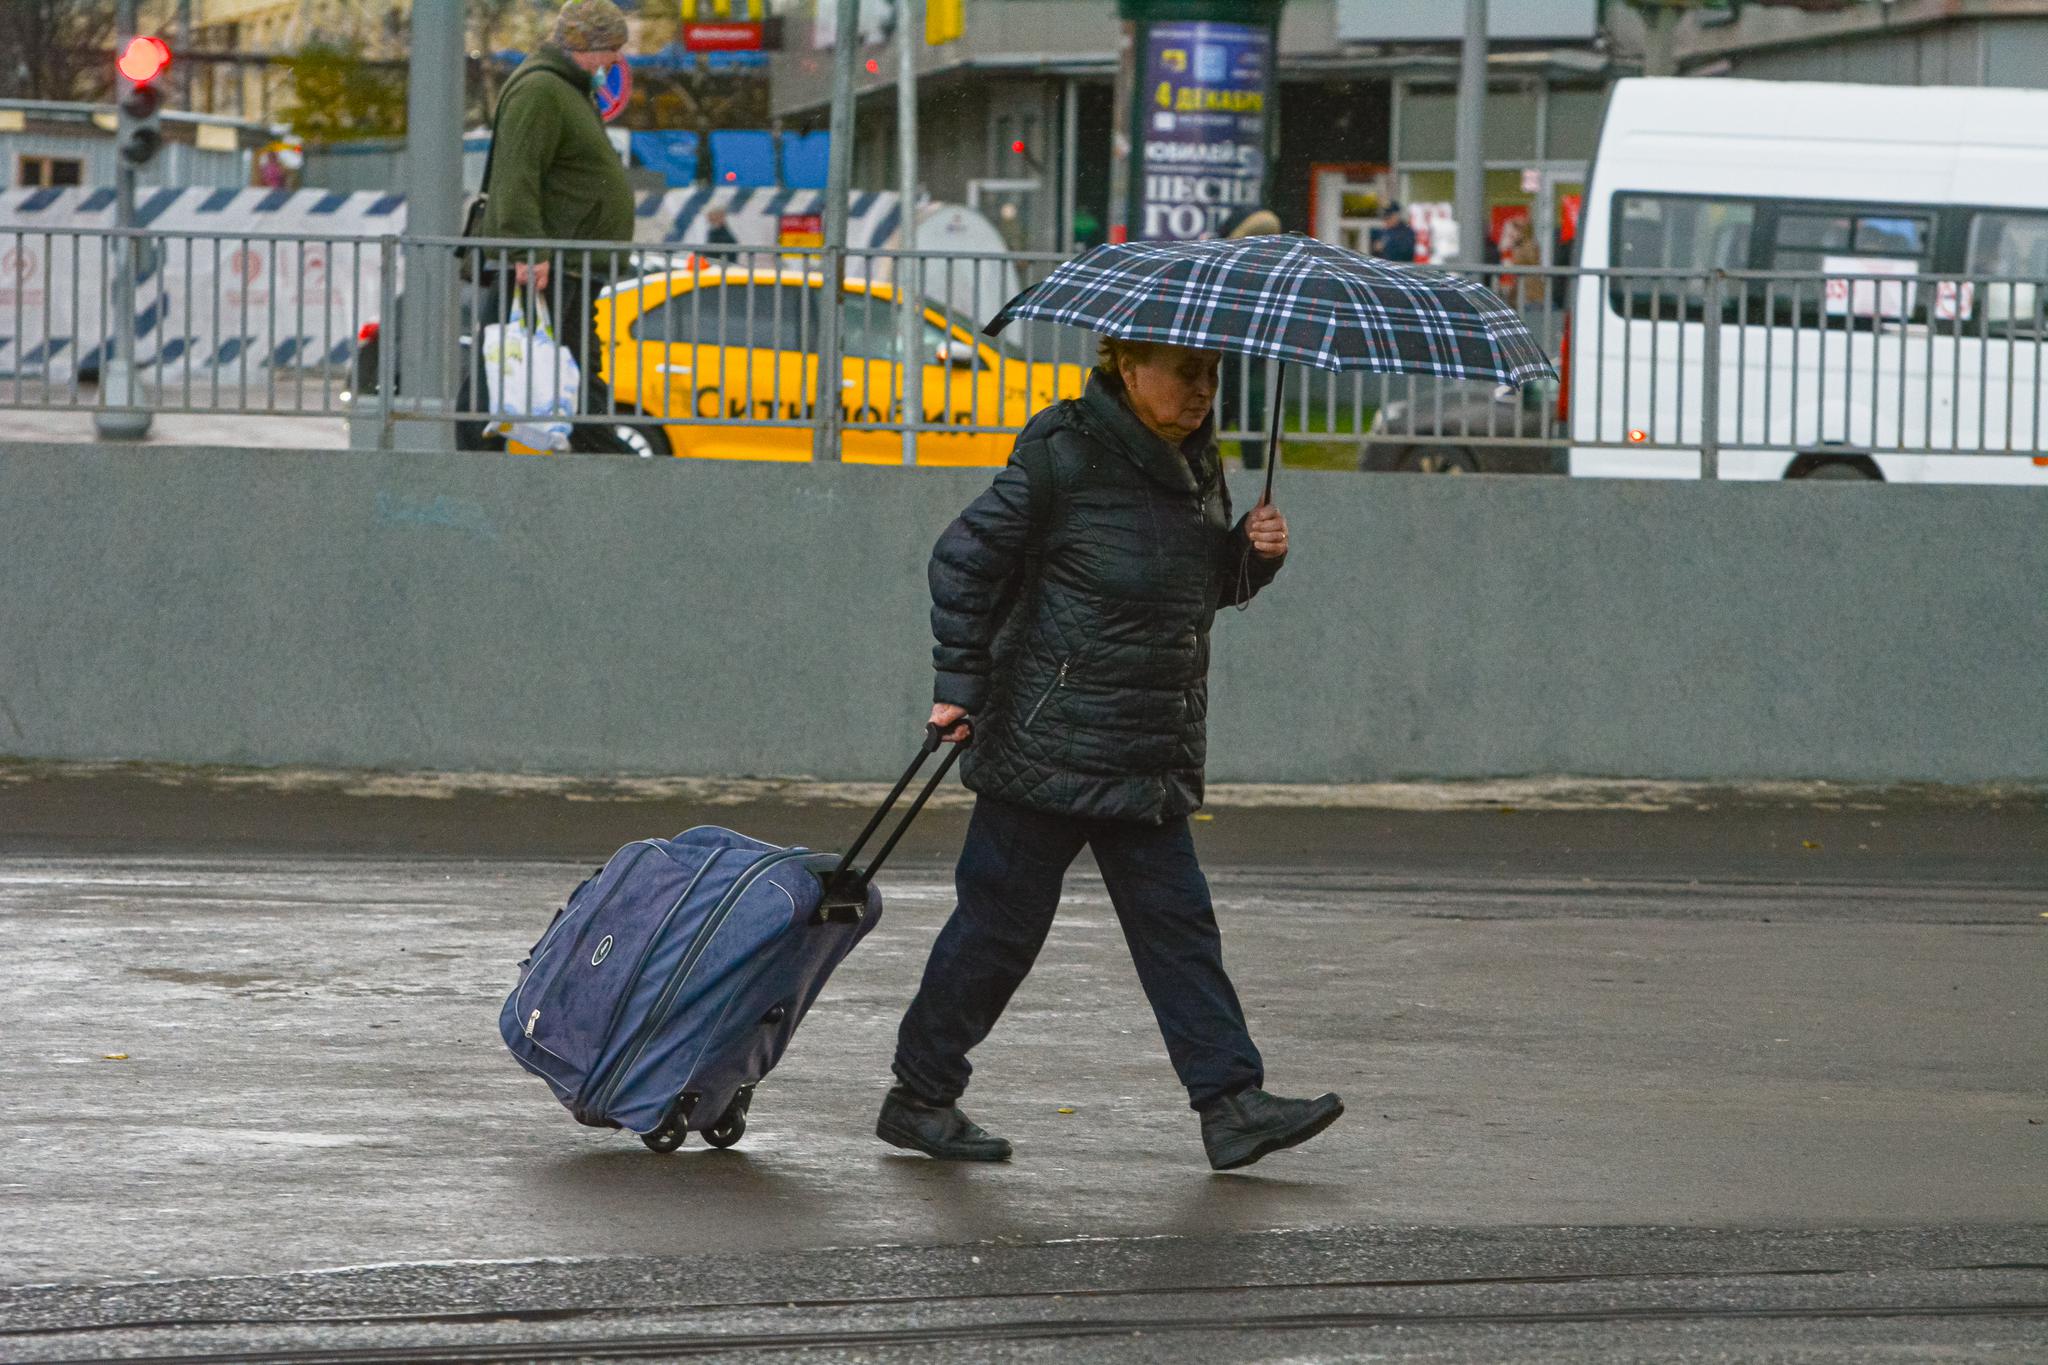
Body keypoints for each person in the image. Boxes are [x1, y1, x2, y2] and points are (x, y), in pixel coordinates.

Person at [877, 336, 1346, 1172]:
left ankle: (1231, 1102)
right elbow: (962, 559)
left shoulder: (1198, 464)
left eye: (1213, 375)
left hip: (1144, 744)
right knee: (997, 932)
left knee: (1179, 930)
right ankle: (920, 1094)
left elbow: (1195, 588)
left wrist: (1251, 557)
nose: (1204, 391)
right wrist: (959, 680)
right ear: (1128, 369)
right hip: (1048, 746)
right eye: (1186, 373)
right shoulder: (1064, 454)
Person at [478, 0, 636, 455]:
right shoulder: (542, 91)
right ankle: (603, 459)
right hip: (552, 265)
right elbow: (516, 174)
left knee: (567, 365)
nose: (615, 61)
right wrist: (529, 251)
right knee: (518, 368)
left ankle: (600, 456)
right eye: (611, 49)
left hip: (569, 264)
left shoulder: (566, 89)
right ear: (585, 45)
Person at [1218, 208, 1281, 471]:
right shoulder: (1229, 274)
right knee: (1231, 420)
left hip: (1241, 360)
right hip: (1231, 360)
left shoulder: (1261, 275)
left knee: (1247, 421)